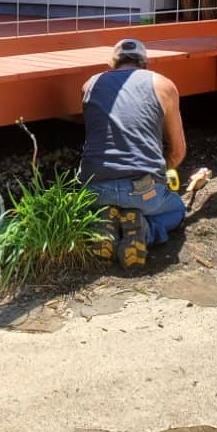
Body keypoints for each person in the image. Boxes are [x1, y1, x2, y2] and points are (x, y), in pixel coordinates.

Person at [79, 38, 187, 267]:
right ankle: (144, 231)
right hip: (144, 190)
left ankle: (103, 223)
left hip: (95, 187)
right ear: (145, 63)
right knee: (175, 210)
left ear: (112, 64)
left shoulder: (90, 84)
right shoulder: (164, 84)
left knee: (99, 204)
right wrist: (162, 173)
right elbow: (178, 152)